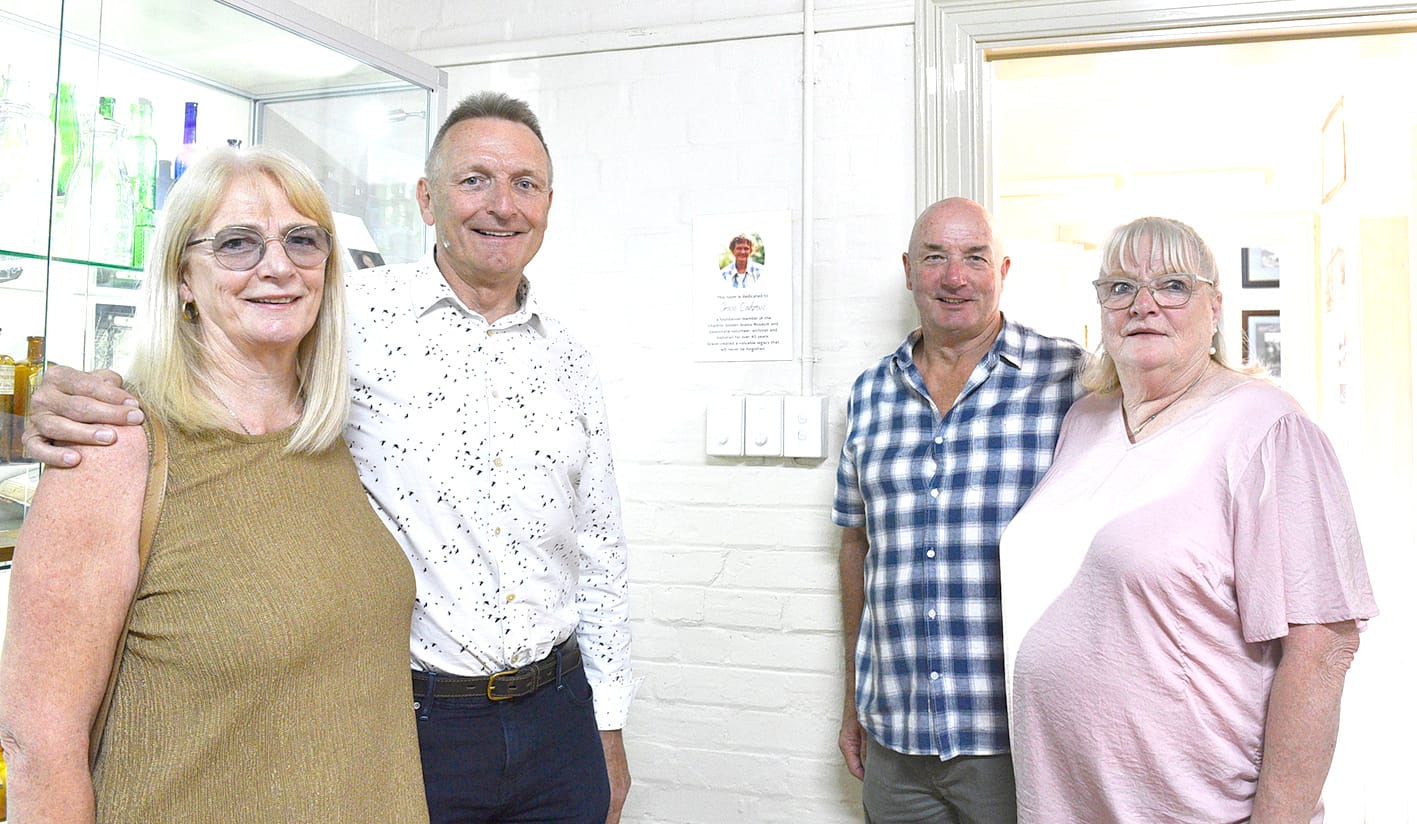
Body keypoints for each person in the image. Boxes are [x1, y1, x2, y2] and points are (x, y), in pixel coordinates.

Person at [22, 92, 635, 824]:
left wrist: (608, 718)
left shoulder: (566, 358)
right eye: (474, 179)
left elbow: (600, 550)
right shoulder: (351, 316)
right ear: (427, 198)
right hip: (424, 724)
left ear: (548, 203)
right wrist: (67, 394)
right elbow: (213, 358)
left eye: (524, 184)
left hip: (553, 710)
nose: (500, 205)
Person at [0, 147, 428, 822]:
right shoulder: (116, 448)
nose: (278, 266)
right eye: (237, 244)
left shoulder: (335, 430)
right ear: (182, 278)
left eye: (302, 240)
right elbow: (38, 745)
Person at [999, 216, 1378, 823]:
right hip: (1060, 803)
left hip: (1195, 806)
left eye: (1172, 284)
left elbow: (1323, 647)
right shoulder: (1085, 421)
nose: (1143, 304)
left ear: (1216, 306)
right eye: (1120, 287)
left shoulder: (1267, 427)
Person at [833, 197, 1084, 823]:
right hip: (894, 740)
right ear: (909, 269)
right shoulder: (869, 394)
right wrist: (851, 704)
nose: (955, 276)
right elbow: (856, 547)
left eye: (974, 257)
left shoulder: (1069, 380)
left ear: (1002, 269)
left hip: (1017, 740)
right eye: (935, 257)